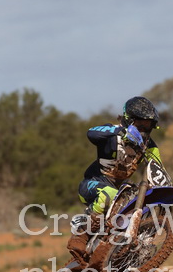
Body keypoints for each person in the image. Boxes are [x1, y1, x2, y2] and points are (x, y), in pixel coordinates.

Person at [67, 96, 166, 263]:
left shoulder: (149, 146)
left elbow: (157, 168)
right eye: (140, 124)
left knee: (140, 202)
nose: (143, 129)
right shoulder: (112, 133)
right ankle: (81, 235)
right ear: (128, 120)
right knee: (109, 194)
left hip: (120, 192)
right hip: (92, 183)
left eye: (147, 125)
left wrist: (165, 189)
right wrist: (120, 132)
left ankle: (124, 249)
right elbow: (91, 133)